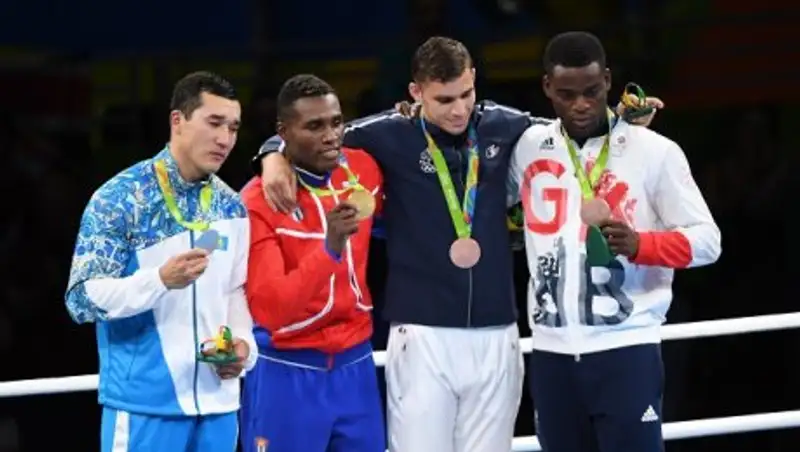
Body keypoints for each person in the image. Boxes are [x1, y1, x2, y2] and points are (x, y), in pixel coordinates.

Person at [256, 37, 661, 452]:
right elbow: (319, 138)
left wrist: (622, 120)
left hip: (497, 331)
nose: (459, 109)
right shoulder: (388, 133)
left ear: (474, 80)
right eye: (444, 99)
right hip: (422, 333)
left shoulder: (504, 125)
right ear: (416, 92)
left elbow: (568, 131)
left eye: (466, 94)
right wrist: (272, 154)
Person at [508, 31, 721, 452]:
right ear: (547, 87)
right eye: (566, 94)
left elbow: (707, 242)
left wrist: (642, 244)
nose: (580, 104)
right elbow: (492, 205)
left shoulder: (655, 151)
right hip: (551, 354)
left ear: (607, 80)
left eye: (591, 91)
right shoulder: (529, 147)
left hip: (627, 347)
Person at [64, 71, 258, 452]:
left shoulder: (231, 206)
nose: (225, 139)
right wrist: (159, 280)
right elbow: (81, 299)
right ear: (178, 120)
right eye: (214, 123)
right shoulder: (120, 199)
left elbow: (234, 290)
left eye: (233, 127)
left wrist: (243, 347)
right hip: (144, 408)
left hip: (219, 407)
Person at [239, 74, 385, 452]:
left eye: (336, 123)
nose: (331, 136)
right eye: (315, 126)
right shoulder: (258, 201)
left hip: (357, 366)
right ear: (283, 132)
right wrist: (329, 249)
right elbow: (273, 311)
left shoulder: (364, 170)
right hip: (286, 371)